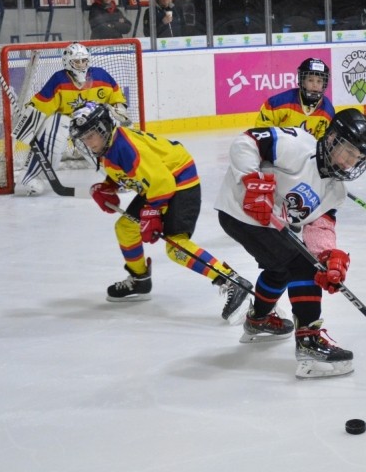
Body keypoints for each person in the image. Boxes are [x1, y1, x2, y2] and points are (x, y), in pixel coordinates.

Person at [214, 108, 366, 379]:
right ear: (332, 138)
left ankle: (258, 320)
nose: (351, 161)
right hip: (238, 209)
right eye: (349, 151)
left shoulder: (335, 190)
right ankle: (309, 343)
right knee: (301, 265)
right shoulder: (297, 145)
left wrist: (329, 258)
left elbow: (320, 225)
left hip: (269, 223)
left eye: (358, 157)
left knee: (282, 269)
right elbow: (245, 143)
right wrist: (251, 180)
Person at [69, 101, 252, 319]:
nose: (88, 143)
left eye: (90, 135)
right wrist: (109, 186)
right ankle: (140, 280)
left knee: (176, 247)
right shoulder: (110, 145)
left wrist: (152, 212)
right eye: (84, 138)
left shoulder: (126, 149)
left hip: (179, 182)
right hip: (159, 184)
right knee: (126, 227)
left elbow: (163, 182)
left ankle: (231, 280)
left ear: (104, 128)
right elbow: (133, 174)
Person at [13, 42, 130, 196]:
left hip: (90, 125)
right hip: (66, 124)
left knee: (105, 131)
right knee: (56, 122)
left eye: (84, 60)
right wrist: (27, 117)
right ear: (68, 63)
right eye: (77, 61)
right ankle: (31, 175)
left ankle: (116, 175)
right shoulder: (59, 80)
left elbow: (117, 98)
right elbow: (41, 106)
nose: (81, 65)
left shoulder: (101, 75)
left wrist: (119, 109)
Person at [256, 57, 335, 139]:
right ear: (302, 82)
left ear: (324, 84)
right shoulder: (280, 102)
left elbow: (323, 141)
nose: (315, 85)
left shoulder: (327, 111)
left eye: (319, 81)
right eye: (310, 80)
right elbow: (262, 127)